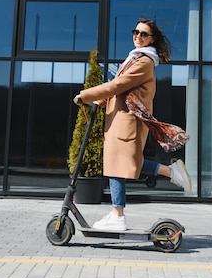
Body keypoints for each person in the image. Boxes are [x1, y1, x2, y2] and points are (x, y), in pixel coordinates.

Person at [73, 17, 192, 231]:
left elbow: (119, 84)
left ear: (152, 39)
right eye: (135, 32)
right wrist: (99, 102)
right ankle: (172, 172)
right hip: (120, 119)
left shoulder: (144, 62)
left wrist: (86, 95)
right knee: (127, 163)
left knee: (118, 166)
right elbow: (120, 89)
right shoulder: (135, 58)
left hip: (126, 121)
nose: (138, 36)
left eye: (144, 34)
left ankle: (118, 215)